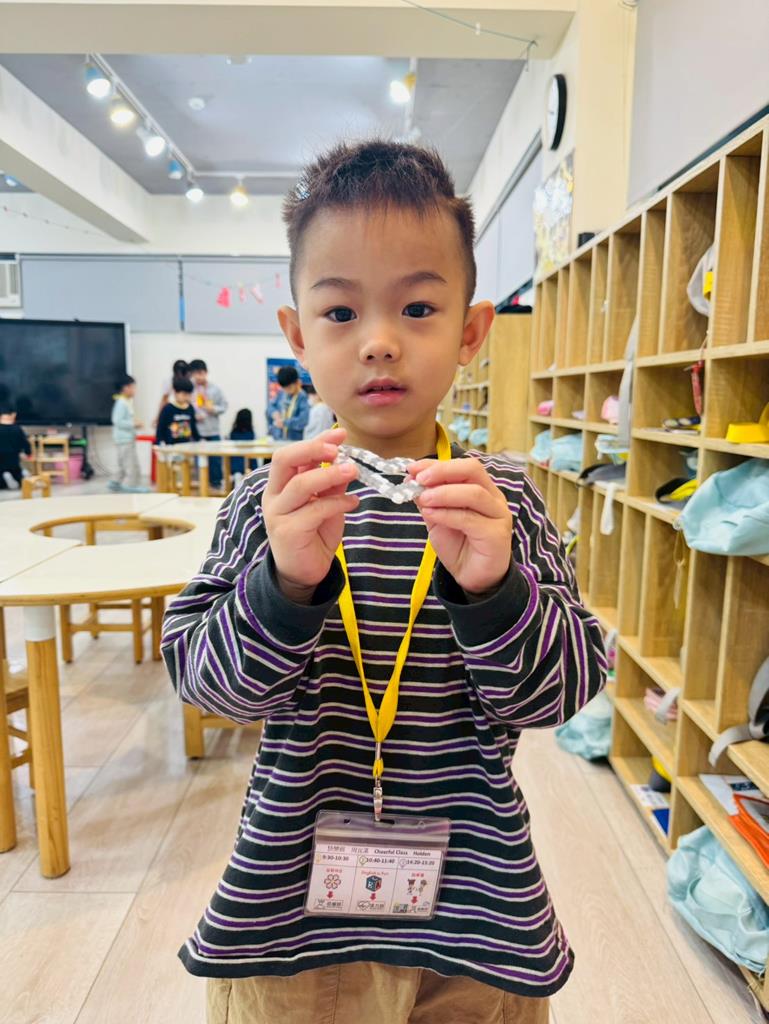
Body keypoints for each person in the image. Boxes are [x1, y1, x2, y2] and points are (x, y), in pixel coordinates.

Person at [162, 140, 606, 1024]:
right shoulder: (270, 501)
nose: (377, 341)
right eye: (339, 311)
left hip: (476, 916)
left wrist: (496, 592)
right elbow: (207, 687)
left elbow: (560, 694)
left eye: (417, 307)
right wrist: (283, 586)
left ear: (470, 332)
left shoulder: (502, 501)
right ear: (297, 334)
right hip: (292, 918)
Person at [189, 358, 228, 488]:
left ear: (206, 372)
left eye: (200, 373)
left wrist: (213, 409)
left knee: (215, 460)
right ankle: (201, 484)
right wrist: (193, 416)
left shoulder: (215, 389)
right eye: (195, 374)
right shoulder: (190, 390)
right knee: (198, 460)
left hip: (213, 430)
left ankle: (216, 484)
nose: (198, 377)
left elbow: (224, 406)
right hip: (197, 431)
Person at [109, 374, 149, 493]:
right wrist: (134, 424)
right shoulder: (121, 403)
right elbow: (117, 421)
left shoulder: (125, 402)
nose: (134, 390)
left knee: (123, 463)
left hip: (125, 438)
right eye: (133, 387)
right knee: (131, 464)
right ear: (125, 388)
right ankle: (132, 485)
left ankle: (115, 482)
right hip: (124, 439)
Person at [155, 377, 200, 446]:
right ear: (175, 392)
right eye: (184, 394)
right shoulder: (168, 409)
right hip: (171, 446)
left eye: (189, 395)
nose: (186, 397)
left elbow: (193, 427)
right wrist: (160, 442)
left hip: (187, 445)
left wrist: (199, 440)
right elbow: (160, 428)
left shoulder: (190, 408)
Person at [270, 364, 310, 440]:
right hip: (278, 438)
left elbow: (303, 420)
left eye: (289, 387)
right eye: (284, 388)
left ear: (297, 382)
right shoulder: (282, 393)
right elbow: (270, 407)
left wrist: (285, 423)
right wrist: (274, 413)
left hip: (294, 440)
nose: (286, 391)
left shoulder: (302, 397)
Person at [0, 399, 31, 490]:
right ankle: (21, 477)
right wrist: (28, 453)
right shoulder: (17, 429)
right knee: (18, 474)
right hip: (13, 459)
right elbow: (25, 443)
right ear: (13, 415)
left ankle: (4, 480)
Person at [228, 407, 255, 479]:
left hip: (235, 463)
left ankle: (237, 476)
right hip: (250, 463)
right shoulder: (250, 433)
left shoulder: (233, 433)